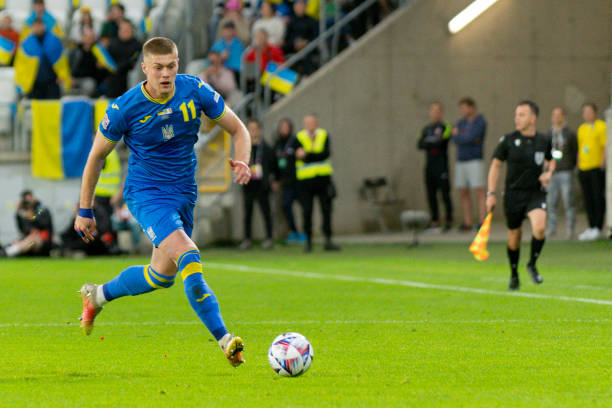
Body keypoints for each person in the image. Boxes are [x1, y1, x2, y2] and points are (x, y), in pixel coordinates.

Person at [74, 37, 251, 367]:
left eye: (171, 66)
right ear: (144, 68)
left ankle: (97, 295)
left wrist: (243, 160)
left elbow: (239, 129)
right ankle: (225, 340)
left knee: (161, 276)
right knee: (188, 255)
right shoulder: (125, 108)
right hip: (147, 194)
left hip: (183, 193)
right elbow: (96, 156)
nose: (166, 74)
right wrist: (85, 209)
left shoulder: (194, 90)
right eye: (158, 68)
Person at [486, 101, 555, 291]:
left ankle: (532, 264)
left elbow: (551, 160)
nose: (517, 118)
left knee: (540, 228)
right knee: (514, 237)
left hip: (535, 193)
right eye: (516, 114)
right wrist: (491, 193)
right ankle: (514, 274)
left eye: (522, 114)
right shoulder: (508, 140)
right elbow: (495, 166)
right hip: (513, 195)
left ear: (533, 118)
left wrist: (548, 173)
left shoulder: (543, 140)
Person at [294, 114, 340, 252]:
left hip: (323, 180)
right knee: (307, 211)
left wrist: (307, 155)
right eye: (306, 122)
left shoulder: (324, 135)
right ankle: (308, 241)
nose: (309, 125)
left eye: (311, 122)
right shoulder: (299, 137)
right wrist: (312, 156)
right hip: (305, 181)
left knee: (326, 210)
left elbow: (325, 154)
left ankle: (328, 240)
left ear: (317, 123)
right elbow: (299, 157)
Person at [239, 119, 276, 250]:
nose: (252, 132)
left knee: (266, 212)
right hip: (248, 184)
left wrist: (274, 180)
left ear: (259, 130)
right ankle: (247, 239)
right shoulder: (244, 148)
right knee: (247, 213)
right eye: (250, 129)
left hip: (262, 185)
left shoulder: (267, 148)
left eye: (255, 129)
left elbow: (274, 166)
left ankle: (269, 238)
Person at [452, 97, 487, 231]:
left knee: (479, 190)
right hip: (461, 161)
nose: (462, 111)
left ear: (472, 107)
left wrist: (460, 136)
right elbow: (454, 138)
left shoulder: (480, 122)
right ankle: (467, 222)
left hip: (475, 160)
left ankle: (482, 221)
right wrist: (462, 137)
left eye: (464, 108)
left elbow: (472, 137)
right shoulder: (460, 123)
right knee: (463, 191)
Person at [417, 102, 453, 232]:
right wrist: (432, 142)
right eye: (433, 110)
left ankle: (448, 219)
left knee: (445, 193)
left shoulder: (446, 127)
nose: (435, 113)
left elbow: (442, 142)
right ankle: (435, 220)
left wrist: (430, 141)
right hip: (430, 166)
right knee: (431, 194)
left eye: (437, 110)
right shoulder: (426, 129)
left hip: (441, 165)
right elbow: (420, 144)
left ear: (441, 112)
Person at [577, 102, 607, 241]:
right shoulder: (582, 128)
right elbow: (580, 147)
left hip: (596, 168)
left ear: (595, 112)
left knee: (597, 197)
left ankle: (598, 227)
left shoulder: (602, 126)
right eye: (585, 112)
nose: (587, 114)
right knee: (587, 198)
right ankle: (591, 226)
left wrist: (602, 163)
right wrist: (578, 163)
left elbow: (605, 146)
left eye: (589, 112)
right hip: (584, 168)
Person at [272, 118, 305, 244]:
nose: (284, 129)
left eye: (287, 126)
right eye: (282, 127)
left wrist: (302, 153)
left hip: (298, 180)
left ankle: (306, 232)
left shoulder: (295, 141)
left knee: (304, 206)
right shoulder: (277, 144)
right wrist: (276, 179)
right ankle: (293, 231)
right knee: (286, 205)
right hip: (286, 182)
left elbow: (303, 154)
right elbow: (275, 164)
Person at [546, 107, 577, 239]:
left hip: (566, 171)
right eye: (554, 115)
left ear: (564, 117)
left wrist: (571, 166)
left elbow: (575, 151)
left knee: (568, 201)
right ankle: (551, 228)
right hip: (552, 172)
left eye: (559, 115)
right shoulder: (549, 134)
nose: (557, 117)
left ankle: (570, 228)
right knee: (550, 202)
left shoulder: (569, 134)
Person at [4, 190, 54, 257]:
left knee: (31, 242)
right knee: (24, 241)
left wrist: (33, 218)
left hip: (42, 239)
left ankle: (11, 251)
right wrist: (17, 214)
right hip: (29, 240)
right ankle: (13, 249)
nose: (28, 203)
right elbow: (22, 230)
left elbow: (45, 225)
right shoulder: (24, 212)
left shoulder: (41, 209)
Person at [69, 28, 110, 96]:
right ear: (82, 38)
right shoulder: (75, 51)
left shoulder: (99, 53)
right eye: (86, 36)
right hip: (74, 78)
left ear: (94, 39)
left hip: (89, 79)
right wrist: (70, 77)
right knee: (64, 85)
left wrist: (100, 68)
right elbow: (68, 66)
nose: (88, 39)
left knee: (89, 85)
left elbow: (102, 75)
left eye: (91, 37)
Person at [106, 20, 141, 98]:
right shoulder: (112, 44)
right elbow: (108, 60)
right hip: (114, 75)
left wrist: (120, 67)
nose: (125, 32)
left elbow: (134, 61)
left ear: (132, 30)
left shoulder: (137, 45)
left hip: (129, 73)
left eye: (127, 29)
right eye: (122, 29)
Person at [283, 0, 318, 75]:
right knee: (279, 49)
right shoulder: (291, 21)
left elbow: (315, 38)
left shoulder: (312, 21)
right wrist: (294, 43)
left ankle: (306, 75)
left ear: (305, 6)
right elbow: (287, 38)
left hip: (307, 46)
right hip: (293, 46)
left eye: (301, 5)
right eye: (297, 5)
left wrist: (305, 42)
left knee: (308, 50)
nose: (299, 8)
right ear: (294, 7)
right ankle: (282, 76)